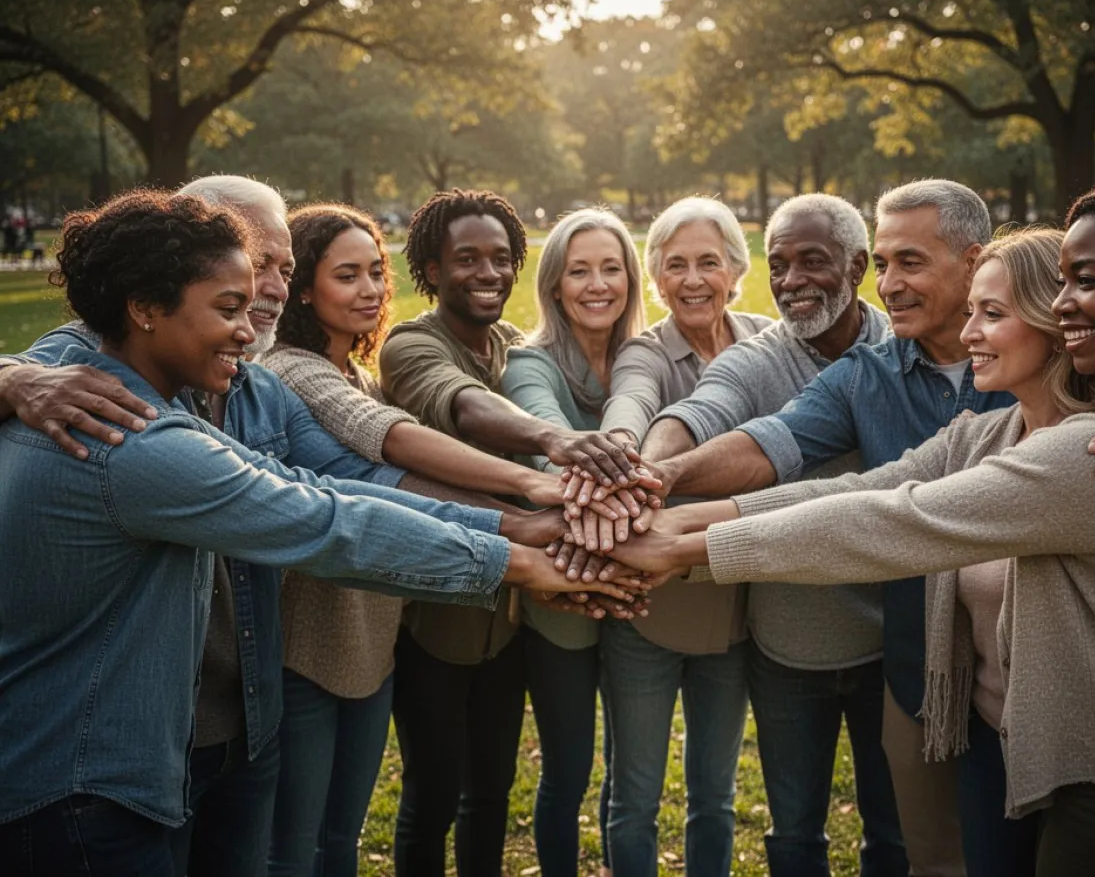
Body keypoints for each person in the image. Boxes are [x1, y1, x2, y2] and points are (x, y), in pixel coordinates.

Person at [0, 190, 639, 876]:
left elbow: (337, 484)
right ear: (146, 307)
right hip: (82, 789)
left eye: (274, 273)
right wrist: (522, 561)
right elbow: (327, 524)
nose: (251, 328)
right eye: (229, 306)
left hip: (188, 745)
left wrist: (528, 531)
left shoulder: (199, 391)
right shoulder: (125, 434)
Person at [613, 176, 1095, 876]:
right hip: (1001, 730)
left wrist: (678, 550)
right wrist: (660, 506)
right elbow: (857, 487)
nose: (889, 287)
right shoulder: (986, 429)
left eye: (1087, 281)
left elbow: (891, 520)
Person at [580, 193, 905, 876]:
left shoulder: (902, 350)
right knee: (793, 836)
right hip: (787, 641)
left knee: (895, 835)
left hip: (893, 639)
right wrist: (647, 470)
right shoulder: (760, 353)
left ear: (857, 265)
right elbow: (701, 409)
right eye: (780, 264)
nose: (791, 281)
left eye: (811, 262)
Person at [258, 203, 571, 877]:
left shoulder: (361, 374)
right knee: (300, 847)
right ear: (303, 289)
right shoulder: (292, 371)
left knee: (340, 838)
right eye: (348, 276)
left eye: (375, 272)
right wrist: (534, 496)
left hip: (373, 643)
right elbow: (387, 454)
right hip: (309, 647)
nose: (370, 289)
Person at [377, 188, 653, 875]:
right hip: (436, 618)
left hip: (508, 618)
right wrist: (555, 441)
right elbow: (464, 407)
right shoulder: (413, 343)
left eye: (501, 258)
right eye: (466, 259)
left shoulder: (508, 345)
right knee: (432, 795)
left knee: (490, 794)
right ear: (432, 270)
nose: (487, 273)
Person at [591, 197, 771, 877]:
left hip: (734, 602)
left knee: (716, 797)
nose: (694, 279)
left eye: (708, 262)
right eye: (676, 265)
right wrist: (622, 450)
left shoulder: (767, 340)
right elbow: (631, 400)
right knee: (634, 794)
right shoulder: (645, 351)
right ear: (657, 279)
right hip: (648, 604)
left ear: (736, 269)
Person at [500, 207, 646, 876]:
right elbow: (550, 445)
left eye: (611, 268)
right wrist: (628, 491)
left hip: (642, 593)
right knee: (570, 768)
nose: (597, 284)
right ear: (554, 284)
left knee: (632, 772)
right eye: (579, 270)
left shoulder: (646, 360)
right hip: (563, 599)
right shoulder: (530, 362)